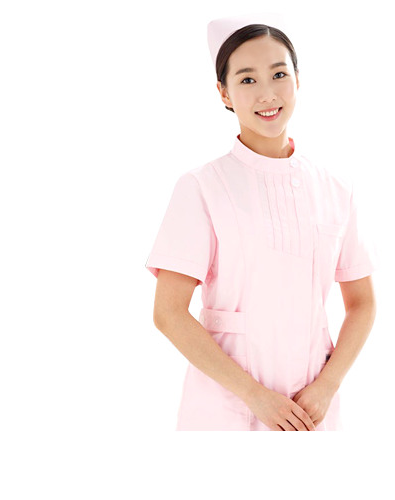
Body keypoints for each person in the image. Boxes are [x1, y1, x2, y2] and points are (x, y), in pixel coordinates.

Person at [146, 18, 380, 431]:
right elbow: (168, 313)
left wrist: (327, 386)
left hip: (312, 409)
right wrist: (255, 396)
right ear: (224, 93)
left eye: (278, 74)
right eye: (247, 79)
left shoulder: (336, 189)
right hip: (226, 410)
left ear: (297, 80)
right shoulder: (203, 188)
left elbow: (362, 302)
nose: (267, 93)